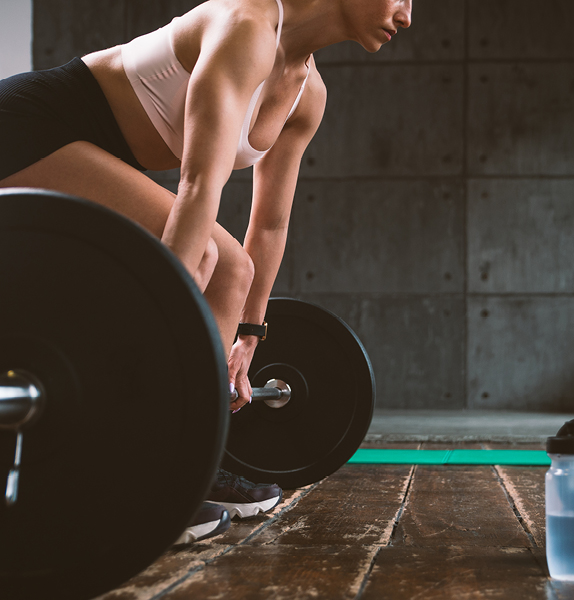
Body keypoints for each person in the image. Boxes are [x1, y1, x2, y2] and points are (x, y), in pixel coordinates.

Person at [0, 0, 412, 542]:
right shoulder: (246, 26)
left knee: (231, 269)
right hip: (27, 127)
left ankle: (190, 457)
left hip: (91, 150)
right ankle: (147, 472)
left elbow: (270, 225)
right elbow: (198, 185)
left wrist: (249, 335)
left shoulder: (308, 95)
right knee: (210, 264)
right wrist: (163, 324)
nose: (406, 15)